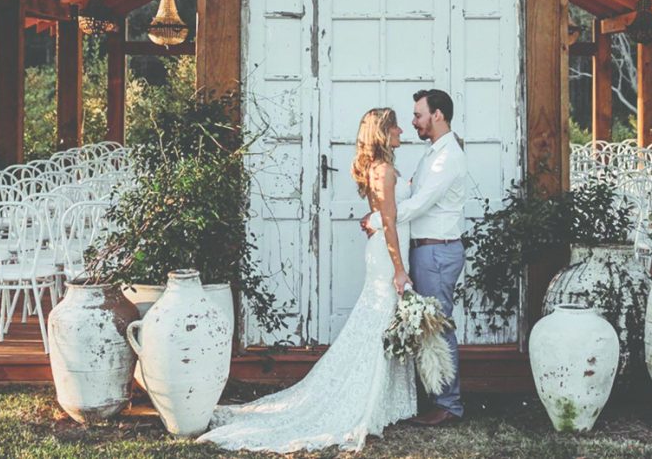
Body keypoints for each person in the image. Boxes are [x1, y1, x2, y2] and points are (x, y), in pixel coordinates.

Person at [198, 108, 416, 453]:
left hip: (384, 250)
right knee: (378, 324)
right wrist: (400, 269)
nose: (402, 130)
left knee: (379, 322)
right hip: (388, 255)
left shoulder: (378, 169)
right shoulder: (384, 170)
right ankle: (361, 401)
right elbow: (388, 222)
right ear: (383, 132)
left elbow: (383, 216)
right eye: (395, 126)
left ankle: (381, 401)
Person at [363, 88, 467, 426]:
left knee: (437, 326)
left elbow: (419, 203)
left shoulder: (445, 157)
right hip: (426, 249)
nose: (413, 122)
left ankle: (448, 405)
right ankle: (437, 398)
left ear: (437, 115)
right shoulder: (433, 153)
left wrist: (379, 219)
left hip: (437, 251)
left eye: (419, 114)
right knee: (429, 325)